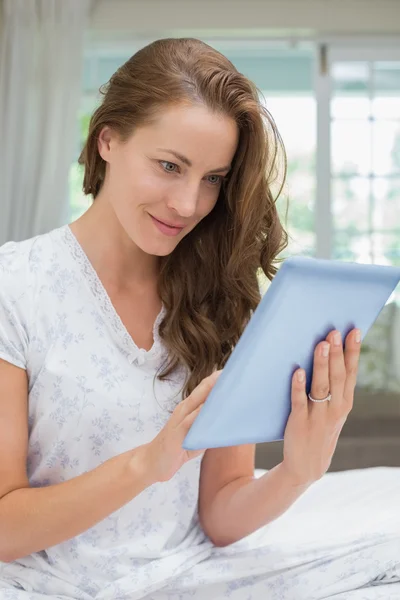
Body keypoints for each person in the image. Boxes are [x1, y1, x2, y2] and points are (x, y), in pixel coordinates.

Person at [0, 37, 399, 600]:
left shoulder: (216, 296)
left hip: (183, 576)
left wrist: (297, 472)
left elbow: (219, 512)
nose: (189, 204)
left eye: (212, 178)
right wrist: (147, 464)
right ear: (108, 138)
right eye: (169, 166)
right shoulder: (15, 288)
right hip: (47, 582)